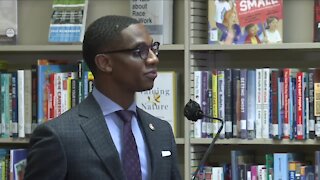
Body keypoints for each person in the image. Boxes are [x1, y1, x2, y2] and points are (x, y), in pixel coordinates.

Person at [24, 15, 182, 180]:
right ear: (104, 63)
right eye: (140, 51)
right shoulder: (59, 136)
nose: (153, 59)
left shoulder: (161, 131)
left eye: (153, 48)